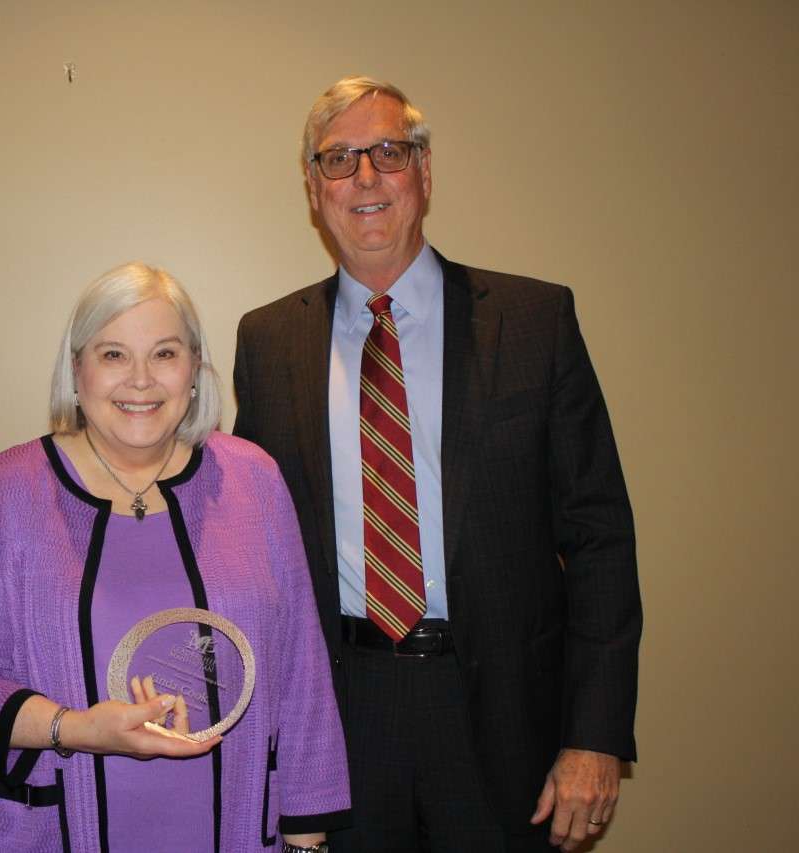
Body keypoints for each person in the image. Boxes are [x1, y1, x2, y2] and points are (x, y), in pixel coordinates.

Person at [232, 77, 641, 852]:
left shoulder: (533, 321)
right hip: (342, 710)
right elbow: (257, 549)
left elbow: (600, 539)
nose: (365, 178)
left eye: (388, 152)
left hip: (501, 713)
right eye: (338, 159)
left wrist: (595, 735)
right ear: (313, 188)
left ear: (425, 172)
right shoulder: (268, 341)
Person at [0, 261, 350, 852]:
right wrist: (73, 729)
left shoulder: (255, 481)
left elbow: (302, 676)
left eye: (164, 354)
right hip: (55, 831)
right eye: (113, 354)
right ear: (77, 370)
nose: (140, 380)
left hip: (238, 830)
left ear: (194, 368)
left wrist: (308, 841)